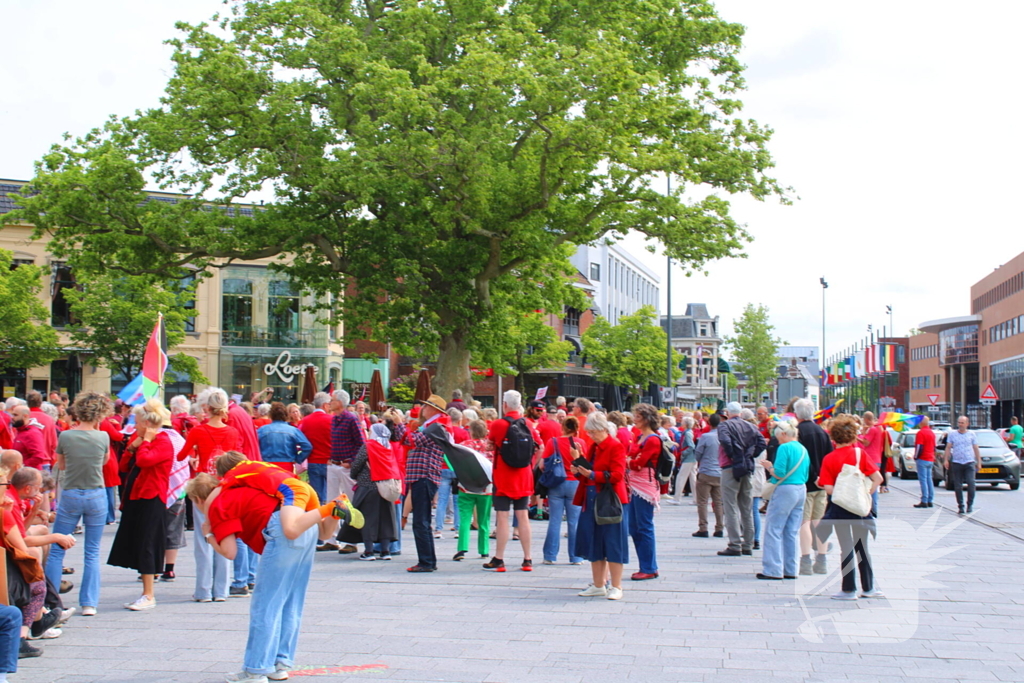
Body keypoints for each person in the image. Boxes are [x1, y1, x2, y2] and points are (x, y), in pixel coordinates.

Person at [187, 461, 350, 683]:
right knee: (291, 601)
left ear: (198, 500)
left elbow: (230, 552)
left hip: (281, 530)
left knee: (266, 604)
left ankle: (255, 670)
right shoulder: (242, 489)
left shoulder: (217, 505)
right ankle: (279, 664)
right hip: (304, 524)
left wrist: (209, 534)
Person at [43, 392, 112, 616]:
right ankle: (89, 603)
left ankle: (51, 601)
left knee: (57, 549)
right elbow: (105, 462)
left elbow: (60, 465)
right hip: (96, 493)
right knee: (92, 552)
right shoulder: (103, 437)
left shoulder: (66, 436)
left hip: (72, 493)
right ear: (100, 414)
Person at [108, 400, 174, 611]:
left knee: (147, 543)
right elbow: (123, 465)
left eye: (137, 422)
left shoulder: (163, 441)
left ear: (147, 423)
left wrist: (143, 442)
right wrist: (133, 447)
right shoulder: (142, 440)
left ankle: (149, 594)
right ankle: (146, 592)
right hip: (137, 496)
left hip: (152, 497)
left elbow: (146, 461)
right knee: (139, 543)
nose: (134, 426)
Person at [179, 388, 240, 602]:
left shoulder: (198, 430)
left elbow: (181, 454)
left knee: (202, 538)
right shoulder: (232, 432)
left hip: (203, 488)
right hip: (224, 488)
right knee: (225, 534)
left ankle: (203, 590)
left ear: (207, 407)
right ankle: (221, 590)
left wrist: (194, 456)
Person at [816, 414, 884, 600]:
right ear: (854, 435)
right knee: (862, 547)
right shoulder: (859, 454)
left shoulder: (829, 459)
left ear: (833, 437)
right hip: (860, 510)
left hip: (840, 509)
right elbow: (878, 478)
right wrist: (864, 493)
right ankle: (868, 588)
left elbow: (829, 489)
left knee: (846, 547)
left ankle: (848, 589)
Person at [571, 411, 629, 600]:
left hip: (608, 500)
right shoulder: (594, 447)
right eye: (589, 433)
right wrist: (578, 469)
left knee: (613, 542)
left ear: (603, 429)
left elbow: (617, 475)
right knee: (594, 543)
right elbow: (591, 470)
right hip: (591, 498)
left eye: (594, 432)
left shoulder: (615, 446)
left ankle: (616, 586)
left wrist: (591, 475)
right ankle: (598, 584)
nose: (591, 436)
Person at [484, 390, 539, 573]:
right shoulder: (529, 424)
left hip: (503, 476)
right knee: (522, 516)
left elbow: (491, 443)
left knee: (502, 516)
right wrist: (532, 464)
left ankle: (499, 558)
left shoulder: (498, 424)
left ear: (504, 405)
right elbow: (541, 446)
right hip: (524, 476)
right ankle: (527, 559)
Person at [396, 394, 449, 572]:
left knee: (421, 520)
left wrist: (400, 424)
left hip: (424, 476)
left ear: (433, 409)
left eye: (425, 406)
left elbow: (413, 441)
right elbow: (404, 439)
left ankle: (426, 561)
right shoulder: (432, 426)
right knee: (422, 520)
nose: (422, 409)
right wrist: (399, 426)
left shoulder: (435, 427)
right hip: (423, 476)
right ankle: (428, 560)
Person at [757, 420, 809, 580]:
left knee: (774, 529)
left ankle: (773, 569)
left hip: (785, 489)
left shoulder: (784, 447)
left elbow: (779, 473)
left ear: (784, 434)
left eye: (778, 437)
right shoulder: (802, 448)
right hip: (801, 488)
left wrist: (769, 467)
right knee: (791, 531)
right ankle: (791, 568)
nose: (778, 440)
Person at [342, 423, 400, 561]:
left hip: (367, 487)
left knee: (367, 519)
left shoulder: (368, 446)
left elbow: (356, 466)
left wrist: (354, 475)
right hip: (386, 487)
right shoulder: (388, 447)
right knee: (385, 519)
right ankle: (385, 551)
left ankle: (368, 551)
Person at [717, 402, 762, 557]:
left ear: (728, 413)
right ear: (741, 413)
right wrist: (749, 456)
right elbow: (762, 443)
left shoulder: (725, 426)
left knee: (730, 507)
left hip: (730, 468)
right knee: (746, 507)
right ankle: (748, 544)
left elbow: (725, 441)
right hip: (747, 468)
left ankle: (735, 544)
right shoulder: (751, 427)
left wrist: (734, 457)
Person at [794, 398, 833, 576]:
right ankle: (822, 560)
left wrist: (813, 477)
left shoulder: (797, 433)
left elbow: (803, 459)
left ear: (797, 414)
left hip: (805, 484)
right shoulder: (822, 432)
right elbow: (829, 459)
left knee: (805, 522)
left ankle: (805, 560)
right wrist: (823, 478)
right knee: (819, 522)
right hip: (822, 486)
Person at [540, 417, 583, 566]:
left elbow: (542, 465)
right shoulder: (580, 443)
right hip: (575, 484)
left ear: (562, 427)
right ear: (577, 428)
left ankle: (549, 556)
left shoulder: (553, 442)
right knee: (574, 522)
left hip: (557, 483)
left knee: (555, 520)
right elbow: (585, 464)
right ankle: (576, 556)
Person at [625, 404, 661, 581]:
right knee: (634, 526)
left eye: (638, 416)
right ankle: (646, 565)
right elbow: (634, 459)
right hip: (635, 484)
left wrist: (629, 461)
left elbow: (638, 463)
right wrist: (631, 460)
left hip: (644, 485)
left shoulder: (652, 439)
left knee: (644, 526)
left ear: (647, 419)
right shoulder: (640, 437)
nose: (634, 419)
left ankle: (649, 566)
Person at [328, 390, 365, 554]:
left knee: (351, 503)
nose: (330, 402)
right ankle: (331, 538)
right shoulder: (334, 419)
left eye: (333, 400)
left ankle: (353, 541)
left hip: (345, 466)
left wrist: (351, 461)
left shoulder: (350, 419)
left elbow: (361, 443)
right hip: (334, 464)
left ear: (340, 402)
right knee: (332, 502)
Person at [455, 420, 494, 562]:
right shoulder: (490, 447)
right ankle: (484, 550)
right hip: (486, 487)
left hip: (467, 486)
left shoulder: (465, 446)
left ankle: (462, 547)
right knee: (484, 520)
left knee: (465, 518)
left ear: (471, 431)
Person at [298, 392, 333, 512]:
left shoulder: (305, 421)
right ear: (324, 405)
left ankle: (318, 522)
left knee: (317, 498)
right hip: (329, 462)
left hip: (313, 461)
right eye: (329, 404)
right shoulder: (332, 420)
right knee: (331, 496)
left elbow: (300, 441)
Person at [692, 413, 724, 538]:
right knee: (718, 502)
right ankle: (719, 527)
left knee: (702, 502)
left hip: (706, 471)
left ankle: (703, 527)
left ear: (709, 423)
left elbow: (698, 454)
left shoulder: (705, 437)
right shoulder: (724, 437)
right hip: (720, 472)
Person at [257, 403, 312, 474]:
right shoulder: (293, 430)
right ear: (286, 415)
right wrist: (298, 459)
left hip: (266, 464)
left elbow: (253, 445)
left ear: (270, 415)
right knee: (286, 484)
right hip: (287, 464)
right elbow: (307, 446)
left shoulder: (262, 430)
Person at [944, 415, 981, 514]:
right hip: (957, 462)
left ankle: (970, 505)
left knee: (971, 483)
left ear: (967, 424)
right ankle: (961, 506)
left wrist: (979, 462)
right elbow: (948, 447)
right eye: (959, 422)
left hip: (969, 462)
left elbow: (976, 448)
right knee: (957, 485)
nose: (960, 425)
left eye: (962, 423)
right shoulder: (952, 434)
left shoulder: (972, 434)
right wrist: (946, 460)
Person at [10, 407, 47, 471]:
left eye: (15, 415)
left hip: (29, 475)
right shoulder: (20, 430)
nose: (12, 417)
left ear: (25, 416)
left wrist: (22, 467)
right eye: (12, 415)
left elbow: (38, 457)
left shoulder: (32, 433)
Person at [671, 416, 696, 504]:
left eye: (683, 422)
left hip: (688, 458)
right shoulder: (688, 432)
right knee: (693, 478)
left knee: (681, 477)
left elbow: (691, 446)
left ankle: (677, 498)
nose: (681, 423)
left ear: (685, 424)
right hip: (692, 458)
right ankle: (696, 499)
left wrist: (683, 453)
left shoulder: (687, 433)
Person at [913, 416, 937, 508]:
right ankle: (930, 500)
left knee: (923, 480)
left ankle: (924, 500)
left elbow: (919, 446)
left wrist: (916, 456)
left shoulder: (920, 433)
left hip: (922, 459)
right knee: (929, 479)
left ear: (921, 423)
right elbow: (934, 447)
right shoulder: (932, 433)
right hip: (930, 458)